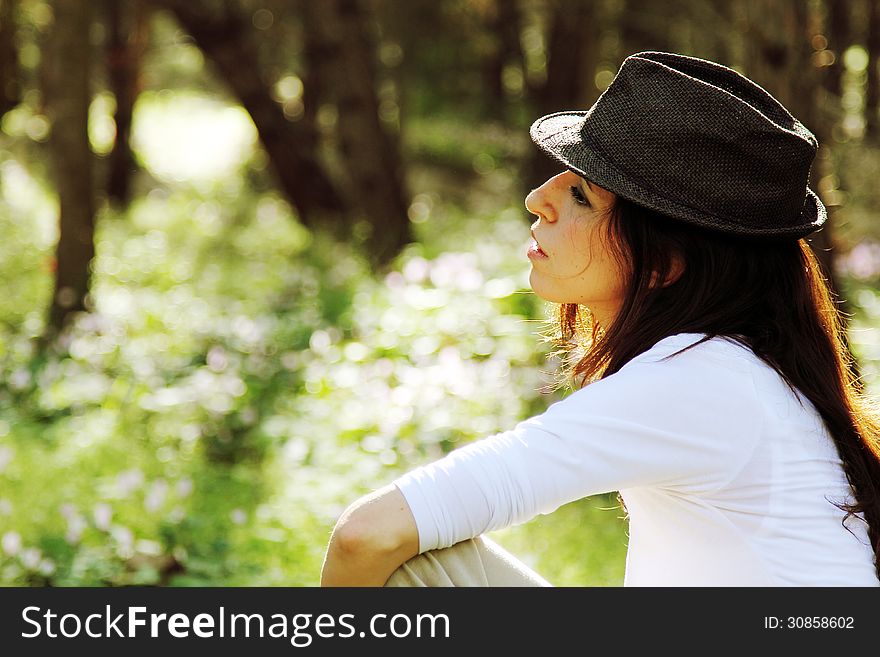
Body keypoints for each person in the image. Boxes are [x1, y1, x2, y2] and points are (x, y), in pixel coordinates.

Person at [319, 51, 880, 587]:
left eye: (582, 196)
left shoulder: (700, 380)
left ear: (664, 261)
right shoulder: (741, 373)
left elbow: (364, 536)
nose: (539, 198)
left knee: (405, 559)